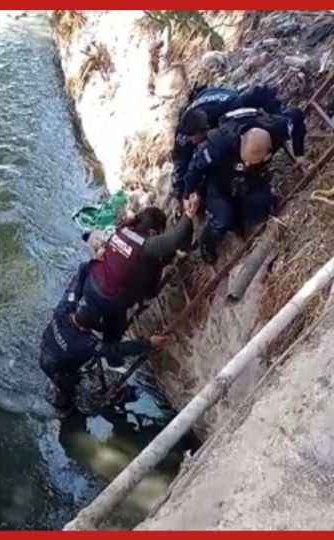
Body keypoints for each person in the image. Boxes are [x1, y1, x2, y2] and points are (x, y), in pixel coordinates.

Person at [39, 263, 170, 414]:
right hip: (60, 372)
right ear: (84, 329)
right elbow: (113, 350)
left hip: (45, 353)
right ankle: (65, 412)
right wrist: (147, 343)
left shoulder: (62, 312)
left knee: (68, 368)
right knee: (68, 395)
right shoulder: (85, 343)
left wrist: (87, 267)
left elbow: (73, 289)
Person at [181, 108, 307, 264]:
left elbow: (296, 115)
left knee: (260, 208)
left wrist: (299, 153)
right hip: (221, 172)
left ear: (268, 153)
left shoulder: (277, 127)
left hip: (252, 175)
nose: (247, 163)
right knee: (222, 218)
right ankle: (207, 244)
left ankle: (243, 218)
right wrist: (187, 194)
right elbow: (195, 168)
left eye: (251, 160)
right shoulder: (219, 145)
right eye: (245, 159)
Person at [82, 195, 200, 343]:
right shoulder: (147, 244)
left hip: (91, 285)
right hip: (111, 298)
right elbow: (177, 239)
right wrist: (189, 214)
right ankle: (111, 357)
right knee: (116, 326)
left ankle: (93, 330)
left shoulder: (122, 230)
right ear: (153, 231)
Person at [171, 84, 282, 199]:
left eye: (193, 139)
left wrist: (275, 117)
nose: (192, 142)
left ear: (206, 129)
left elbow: (262, 95)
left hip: (224, 98)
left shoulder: (233, 108)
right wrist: (182, 193)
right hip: (200, 103)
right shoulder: (183, 131)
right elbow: (179, 163)